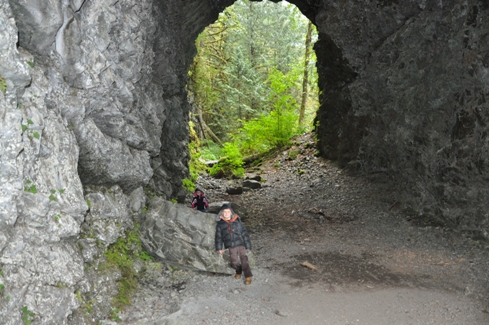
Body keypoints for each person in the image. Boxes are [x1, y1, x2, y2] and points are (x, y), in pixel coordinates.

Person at [215, 203, 253, 285]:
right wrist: (219, 248)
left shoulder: (237, 222)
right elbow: (218, 237)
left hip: (241, 243)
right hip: (231, 245)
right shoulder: (220, 225)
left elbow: (244, 233)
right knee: (234, 262)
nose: (226, 214)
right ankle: (238, 270)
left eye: (228, 212)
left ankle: (248, 276)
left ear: (232, 212)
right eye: (224, 212)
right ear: (221, 213)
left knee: (244, 259)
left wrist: (248, 245)